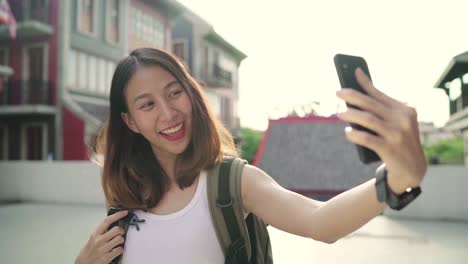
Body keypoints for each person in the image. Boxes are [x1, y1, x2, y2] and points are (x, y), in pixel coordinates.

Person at [74, 48, 427, 264]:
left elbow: (321, 223)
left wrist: (397, 179)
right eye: (148, 104)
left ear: (193, 96)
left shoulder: (232, 181)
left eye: (174, 93)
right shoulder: (124, 193)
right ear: (130, 122)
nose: (168, 113)